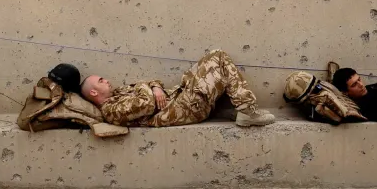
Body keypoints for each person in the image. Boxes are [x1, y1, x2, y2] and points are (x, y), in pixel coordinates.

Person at [80, 49, 275, 127]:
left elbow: (153, 83)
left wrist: (154, 86)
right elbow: (146, 104)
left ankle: (241, 109)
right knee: (219, 58)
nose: (106, 81)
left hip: (181, 98)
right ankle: (247, 110)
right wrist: (147, 86)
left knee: (216, 56)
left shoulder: (119, 93)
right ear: (94, 92)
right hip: (184, 109)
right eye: (101, 80)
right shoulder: (110, 111)